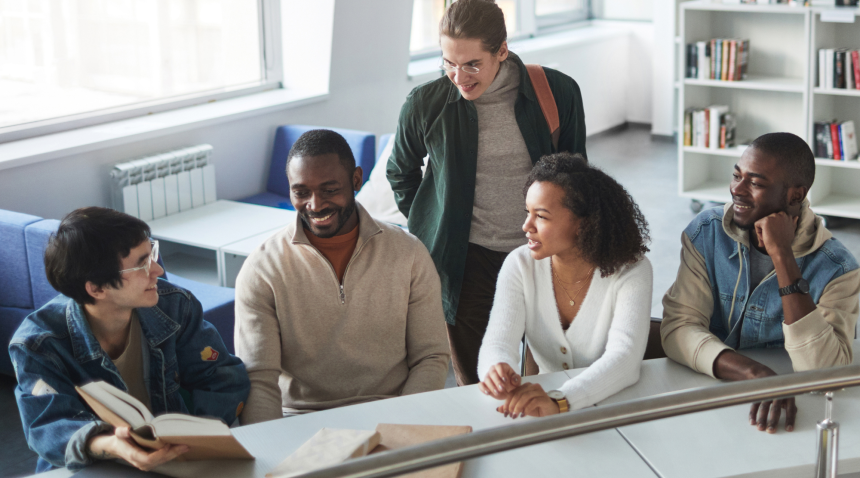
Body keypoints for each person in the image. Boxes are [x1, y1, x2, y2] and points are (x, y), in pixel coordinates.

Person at [387, 0, 587, 386]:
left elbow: (579, 179)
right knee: (480, 385)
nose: (458, 77)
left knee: (550, 380)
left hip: (541, 256)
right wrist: (432, 222)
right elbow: (400, 170)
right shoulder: (425, 104)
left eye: (472, 64)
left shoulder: (558, 92)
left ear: (501, 50)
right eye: (448, 62)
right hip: (465, 263)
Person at [9, 207, 249, 473]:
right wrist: (113, 445)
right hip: (93, 465)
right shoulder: (38, 345)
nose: (157, 270)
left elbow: (222, 376)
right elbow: (47, 426)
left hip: (177, 460)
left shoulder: (175, 307)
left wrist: (196, 439)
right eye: (142, 263)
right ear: (97, 288)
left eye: (153, 254)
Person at [234, 129, 450, 424]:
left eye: (329, 189)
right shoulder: (262, 269)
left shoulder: (409, 254)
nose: (315, 204)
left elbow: (431, 357)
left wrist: (404, 425)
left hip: (390, 410)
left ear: (356, 179)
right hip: (299, 417)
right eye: (301, 192)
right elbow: (259, 379)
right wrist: (267, 449)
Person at [661, 132, 860, 433]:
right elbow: (678, 328)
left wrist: (783, 256)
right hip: (712, 394)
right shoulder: (706, 233)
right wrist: (755, 374)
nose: (736, 190)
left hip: (794, 414)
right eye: (736, 176)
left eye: (755, 183)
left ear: (796, 195)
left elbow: (825, 374)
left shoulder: (839, 269)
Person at [476, 152, 652, 417]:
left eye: (541, 217)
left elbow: (625, 360)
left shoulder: (632, 270)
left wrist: (561, 400)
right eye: (528, 213)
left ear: (583, 224)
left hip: (612, 407)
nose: (526, 226)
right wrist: (496, 369)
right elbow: (497, 342)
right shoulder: (519, 265)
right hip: (541, 407)